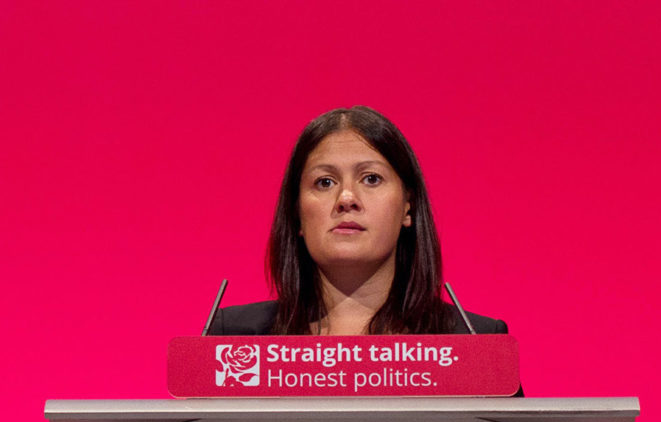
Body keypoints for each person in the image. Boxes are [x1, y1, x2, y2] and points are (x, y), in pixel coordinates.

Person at [209, 106, 509, 337]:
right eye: (325, 182)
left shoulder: (472, 342)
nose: (346, 198)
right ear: (297, 212)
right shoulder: (233, 343)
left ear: (408, 207)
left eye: (371, 178)